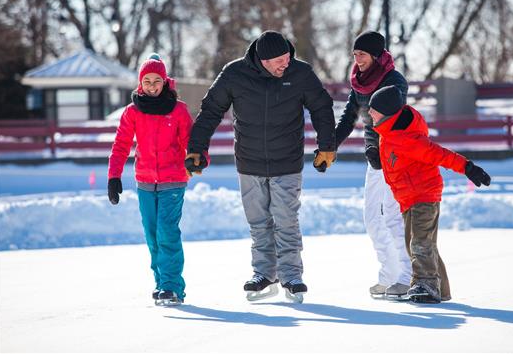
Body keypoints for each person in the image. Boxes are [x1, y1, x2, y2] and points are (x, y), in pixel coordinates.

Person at [185, 30, 336, 303]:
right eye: (280, 60)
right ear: (263, 60)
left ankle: (291, 275)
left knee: (286, 220)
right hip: (249, 161)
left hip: (287, 160)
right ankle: (265, 273)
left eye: (288, 57)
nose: (285, 64)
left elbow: (322, 107)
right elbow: (210, 110)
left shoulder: (300, 73)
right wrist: (196, 148)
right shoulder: (234, 74)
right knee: (258, 222)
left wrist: (327, 145)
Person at [368, 85, 491, 303]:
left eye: (374, 109)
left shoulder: (409, 138)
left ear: (387, 112)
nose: (369, 113)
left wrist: (468, 167)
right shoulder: (386, 133)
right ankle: (441, 289)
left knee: (420, 243)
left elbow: (440, 155)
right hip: (407, 198)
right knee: (419, 243)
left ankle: (425, 285)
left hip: (423, 195)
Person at [107, 53, 195, 305]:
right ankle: (162, 283)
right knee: (152, 234)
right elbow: (121, 144)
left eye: (157, 80)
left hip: (174, 179)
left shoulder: (178, 110)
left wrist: (195, 159)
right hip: (145, 181)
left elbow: (190, 142)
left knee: (167, 232)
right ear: (140, 83)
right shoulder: (133, 111)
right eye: (147, 81)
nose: (152, 86)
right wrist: (114, 176)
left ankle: (172, 285)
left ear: (165, 81)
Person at [334, 31, 411, 299]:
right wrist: (330, 145)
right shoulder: (359, 82)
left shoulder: (394, 81)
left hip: (393, 155)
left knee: (391, 216)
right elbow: (349, 117)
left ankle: (407, 276)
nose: (357, 59)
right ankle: (389, 274)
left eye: (362, 54)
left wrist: (378, 147)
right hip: (374, 157)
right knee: (371, 217)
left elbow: (394, 119)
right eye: (354, 54)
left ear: (376, 56)